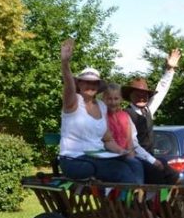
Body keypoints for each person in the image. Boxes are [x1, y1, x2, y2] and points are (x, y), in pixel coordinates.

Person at [57, 39, 141, 184]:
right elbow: (69, 86)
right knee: (121, 171)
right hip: (74, 159)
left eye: (94, 82)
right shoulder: (74, 101)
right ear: (80, 84)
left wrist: (122, 151)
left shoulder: (102, 106)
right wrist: (65, 64)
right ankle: (132, 205)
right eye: (86, 81)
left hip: (99, 157)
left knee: (135, 164)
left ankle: (135, 202)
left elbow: (108, 139)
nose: (91, 85)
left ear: (98, 86)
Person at [122, 47, 182, 184]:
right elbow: (133, 145)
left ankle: (172, 203)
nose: (141, 97)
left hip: (150, 158)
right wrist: (153, 161)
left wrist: (170, 70)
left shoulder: (148, 110)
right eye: (137, 94)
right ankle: (151, 204)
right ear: (130, 96)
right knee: (157, 175)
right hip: (135, 159)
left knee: (173, 175)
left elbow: (161, 90)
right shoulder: (126, 115)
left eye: (144, 94)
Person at [101, 82, 159, 184]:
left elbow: (130, 140)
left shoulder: (125, 116)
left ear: (121, 99)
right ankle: (135, 194)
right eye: (109, 99)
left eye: (116, 99)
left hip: (127, 154)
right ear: (103, 99)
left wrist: (131, 153)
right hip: (109, 155)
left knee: (145, 165)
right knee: (139, 166)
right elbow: (105, 141)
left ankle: (143, 196)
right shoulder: (101, 117)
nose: (113, 102)